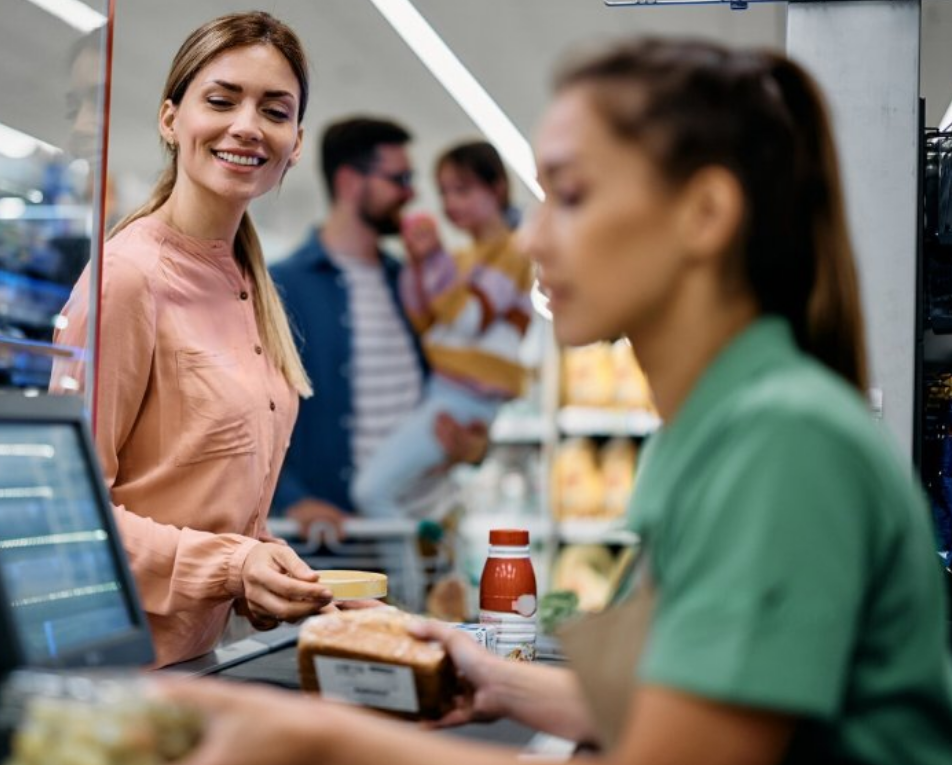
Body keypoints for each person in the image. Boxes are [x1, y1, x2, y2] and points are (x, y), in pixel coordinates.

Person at [162, 37, 952, 764]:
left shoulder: (779, 441)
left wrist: (316, 740)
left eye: (569, 197)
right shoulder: (724, 424)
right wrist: (497, 677)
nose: (534, 240)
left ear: (704, 214)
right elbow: (685, 704)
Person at [49, 11, 333, 668]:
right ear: (170, 119)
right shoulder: (127, 277)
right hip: (114, 673)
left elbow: (205, 503)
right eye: (221, 99)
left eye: (274, 110)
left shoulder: (248, 284)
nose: (246, 126)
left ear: (294, 141)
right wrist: (233, 566)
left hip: (199, 668)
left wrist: (273, 580)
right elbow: (68, 515)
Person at [270, 118, 489, 537]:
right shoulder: (281, 287)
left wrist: (474, 446)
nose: (411, 194)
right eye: (399, 178)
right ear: (351, 182)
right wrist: (290, 499)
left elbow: (456, 384)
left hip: (424, 536)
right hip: (339, 549)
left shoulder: (410, 281)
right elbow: (246, 419)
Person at [351, 141, 533, 519]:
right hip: (447, 392)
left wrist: (433, 262)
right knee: (394, 493)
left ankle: (407, 576)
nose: (451, 203)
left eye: (462, 189)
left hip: (464, 397)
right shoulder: (462, 258)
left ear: (497, 187)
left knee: (371, 491)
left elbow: (468, 320)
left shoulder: (513, 253)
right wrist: (420, 266)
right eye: (444, 192)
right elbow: (425, 320)